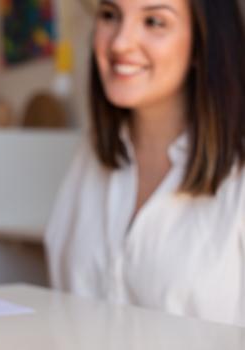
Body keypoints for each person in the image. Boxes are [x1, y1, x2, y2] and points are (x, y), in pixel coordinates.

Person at [45, 0, 245, 326]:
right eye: (110, 15)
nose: (120, 43)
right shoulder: (89, 154)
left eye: (154, 21)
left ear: (203, 44)